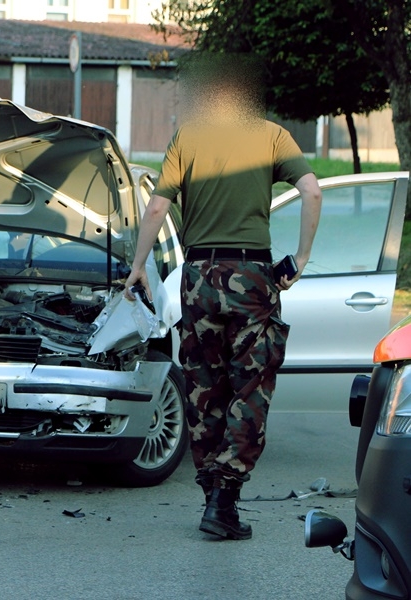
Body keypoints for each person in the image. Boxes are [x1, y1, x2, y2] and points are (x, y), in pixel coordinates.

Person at [123, 54, 322, 541]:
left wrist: (137, 267)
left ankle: (213, 496)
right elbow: (312, 193)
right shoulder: (273, 135)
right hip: (252, 275)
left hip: (198, 277)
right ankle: (224, 501)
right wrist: (300, 258)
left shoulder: (188, 136)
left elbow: (155, 207)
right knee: (250, 388)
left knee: (203, 386)